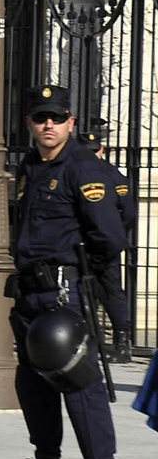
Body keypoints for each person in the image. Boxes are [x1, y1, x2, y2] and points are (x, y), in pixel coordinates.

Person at [0, 87, 128, 459]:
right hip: (31, 294)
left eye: (56, 117)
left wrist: (79, 274)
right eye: (40, 117)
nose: (47, 125)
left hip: (66, 294)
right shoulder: (30, 166)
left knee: (80, 386)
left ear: (71, 122)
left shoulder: (83, 168)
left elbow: (110, 237)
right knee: (34, 388)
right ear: (30, 123)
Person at [76, 123, 135, 363]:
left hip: (83, 243)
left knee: (84, 292)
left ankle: (90, 341)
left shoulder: (76, 172)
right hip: (106, 243)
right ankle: (121, 345)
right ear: (102, 149)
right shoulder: (114, 175)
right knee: (112, 293)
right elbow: (128, 213)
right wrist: (115, 234)